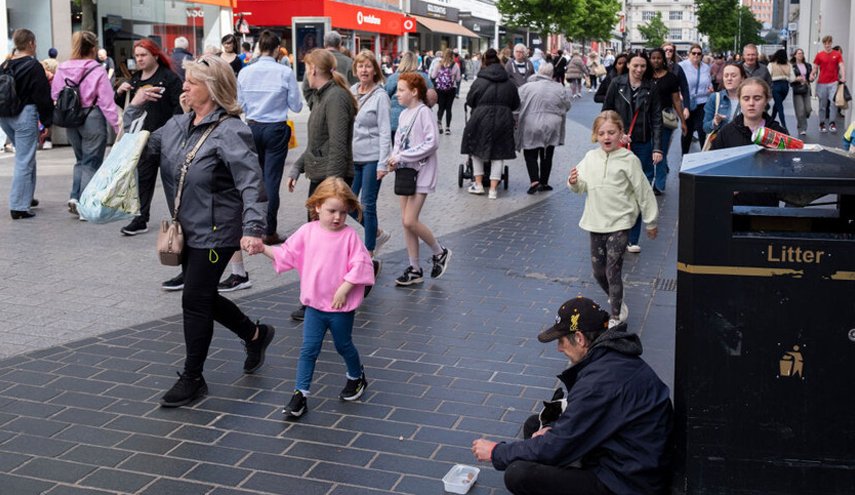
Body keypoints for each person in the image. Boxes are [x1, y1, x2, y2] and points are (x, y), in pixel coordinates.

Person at [124, 55, 272, 408]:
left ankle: (193, 377)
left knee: (193, 298)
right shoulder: (176, 126)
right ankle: (255, 334)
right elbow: (139, 148)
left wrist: (253, 227)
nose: (185, 86)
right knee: (202, 295)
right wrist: (133, 108)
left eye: (192, 81)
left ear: (213, 88)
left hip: (218, 230)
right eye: (186, 80)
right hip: (186, 227)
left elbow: (252, 184)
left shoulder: (231, 130)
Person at [471, 296, 673, 495]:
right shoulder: (612, 358)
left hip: (627, 483)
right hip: (622, 455)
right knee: (535, 425)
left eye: (561, 341)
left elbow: (559, 445)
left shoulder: (601, 381)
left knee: (518, 474)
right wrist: (552, 430)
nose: (559, 348)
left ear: (580, 339)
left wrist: (497, 451)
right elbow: (584, 420)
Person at [255, 177, 374, 418]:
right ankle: (300, 394)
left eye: (342, 212)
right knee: (308, 350)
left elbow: (362, 263)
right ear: (317, 206)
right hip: (314, 307)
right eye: (331, 211)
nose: (337, 217)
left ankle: (356, 376)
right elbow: (286, 254)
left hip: (340, 308)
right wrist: (262, 248)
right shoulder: (307, 232)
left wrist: (345, 287)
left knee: (343, 345)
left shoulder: (349, 236)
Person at [568, 111, 658, 323]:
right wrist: (573, 182)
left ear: (621, 134)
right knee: (598, 272)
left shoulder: (629, 160)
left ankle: (616, 316)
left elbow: (643, 191)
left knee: (612, 269)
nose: (606, 137)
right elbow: (581, 187)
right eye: (601, 133)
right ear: (595, 136)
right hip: (595, 222)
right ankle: (617, 298)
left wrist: (650, 221)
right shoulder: (590, 158)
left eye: (611, 132)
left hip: (620, 223)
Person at [287, 48, 357, 321]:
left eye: (307, 68)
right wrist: (297, 166)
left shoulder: (336, 97)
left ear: (313, 69)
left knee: (324, 243)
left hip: (330, 177)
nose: (306, 73)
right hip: (321, 175)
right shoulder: (322, 96)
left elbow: (338, 145)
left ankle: (326, 295)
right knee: (317, 242)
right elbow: (318, 144)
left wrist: (333, 186)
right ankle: (317, 296)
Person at [387, 72, 451, 286]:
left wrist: (402, 155)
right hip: (405, 173)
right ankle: (414, 268)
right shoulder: (404, 114)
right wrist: (393, 159)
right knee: (406, 223)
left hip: (422, 173)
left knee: (409, 220)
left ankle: (439, 251)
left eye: (401, 90)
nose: (397, 94)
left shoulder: (424, 112)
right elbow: (398, 142)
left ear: (414, 92)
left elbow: (432, 143)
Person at [115, 38, 183, 238]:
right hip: (141, 139)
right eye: (136, 55)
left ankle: (179, 219)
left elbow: (179, 107)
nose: (139, 59)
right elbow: (125, 106)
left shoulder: (169, 78)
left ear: (155, 55)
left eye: (143, 55)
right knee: (143, 180)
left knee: (172, 180)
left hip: (167, 137)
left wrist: (174, 131)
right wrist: (119, 91)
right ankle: (140, 218)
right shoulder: (135, 79)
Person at [52, 31, 120, 219]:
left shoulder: (63, 67)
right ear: (92, 48)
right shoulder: (96, 69)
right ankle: (85, 205)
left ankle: (75, 197)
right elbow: (107, 102)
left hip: (71, 118)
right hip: (92, 117)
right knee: (91, 161)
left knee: (81, 160)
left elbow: (55, 95)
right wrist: (117, 127)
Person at [602, 51, 662, 254]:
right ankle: (612, 232)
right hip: (618, 145)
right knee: (615, 188)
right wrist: (616, 135)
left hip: (642, 143)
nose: (639, 70)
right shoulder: (616, 84)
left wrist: (657, 147)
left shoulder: (651, 88)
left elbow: (656, 119)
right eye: (635, 65)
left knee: (638, 189)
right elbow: (606, 113)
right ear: (627, 65)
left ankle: (632, 238)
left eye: (643, 66)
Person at [0, 29, 53, 219]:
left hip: (6, 116)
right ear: (31, 43)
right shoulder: (33, 66)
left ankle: (26, 197)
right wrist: (47, 122)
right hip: (25, 115)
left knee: (26, 156)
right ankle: (19, 206)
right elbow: (43, 97)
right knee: (25, 159)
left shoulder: (5, 64)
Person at [711, 79, 786, 206]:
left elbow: (787, 167)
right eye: (746, 98)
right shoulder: (727, 132)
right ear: (739, 100)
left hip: (767, 206)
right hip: (734, 207)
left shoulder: (778, 133)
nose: (751, 103)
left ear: (766, 100)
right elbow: (713, 165)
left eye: (757, 98)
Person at [350, 50, 392, 260]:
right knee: (347, 203)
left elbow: (385, 131)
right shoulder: (351, 91)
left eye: (368, 66)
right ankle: (376, 233)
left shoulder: (381, 96)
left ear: (375, 70)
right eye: (360, 66)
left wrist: (383, 163)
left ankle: (369, 251)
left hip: (373, 158)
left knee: (367, 204)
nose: (364, 70)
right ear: (355, 69)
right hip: (353, 158)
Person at [462, 48, 520, 200]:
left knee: (475, 149)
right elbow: (516, 104)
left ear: (484, 62)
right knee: (498, 153)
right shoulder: (509, 83)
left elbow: (470, 101)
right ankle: (493, 190)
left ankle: (478, 184)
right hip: (503, 120)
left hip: (480, 119)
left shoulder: (479, 81)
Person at [516, 63, 572, 194]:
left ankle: (534, 181)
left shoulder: (526, 87)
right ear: (552, 74)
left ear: (538, 72)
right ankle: (544, 182)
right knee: (547, 153)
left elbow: (517, 103)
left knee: (530, 152)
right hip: (552, 125)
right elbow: (567, 106)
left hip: (531, 123)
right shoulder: (559, 88)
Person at [649, 47, 687, 195]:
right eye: (653, 58)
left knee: (661, 150)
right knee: (649, 150)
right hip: (647, 119)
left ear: (663, 60)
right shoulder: (646, 77)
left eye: (659, 58)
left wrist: (683, 121)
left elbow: (676, 100)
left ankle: (659, 185)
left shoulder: (671, 78)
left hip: (665, 119)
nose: (656, 60)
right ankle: (653, 176)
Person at [679, 44, 713, 155]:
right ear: (689, 54)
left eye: (699, 53)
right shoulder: (682, 66)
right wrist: (679, 94)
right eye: (694, 53)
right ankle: (684, 156)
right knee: (687, 131)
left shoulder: (705, 67)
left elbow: (708, 82)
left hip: (702, 102)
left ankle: (703, 156)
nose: (696, 55)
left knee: (702, 130)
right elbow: (676, 84)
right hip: (687, 103)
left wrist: (710, 88)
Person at [810, 35, 846, 134]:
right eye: (825, 43)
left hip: (833, 82)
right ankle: (822, 123)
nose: (827, 45)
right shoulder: (819, 55)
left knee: (833, 103)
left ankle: (832, 123)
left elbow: (841, 66)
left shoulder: (837, 54)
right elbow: (815, 67)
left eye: (829, 43)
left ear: (831, 43)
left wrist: (843, 76)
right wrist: (812, 75)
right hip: (821, 83)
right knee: (822, 105)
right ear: (823, 44)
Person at [703, 62, 746, 141]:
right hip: (721, 145)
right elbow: (706, 128)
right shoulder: (715, 98)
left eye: (733, 76)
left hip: (743, 144)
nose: (729, 78)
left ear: (742, 78)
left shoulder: (749, 99)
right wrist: (715, 122)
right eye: (726, 76)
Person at [429, 48, 461, 135]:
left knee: (441, 107)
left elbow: (433, 76)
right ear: (452, 56)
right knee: (449, 108)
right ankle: (447, 128)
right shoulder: (455, 65)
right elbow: (458, 79)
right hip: (451, 88)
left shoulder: (439, 64)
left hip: (440, 89)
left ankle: (439, 123)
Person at [767, 49, 793, 133]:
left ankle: (784, 126)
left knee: (779, 106)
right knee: (778, 105)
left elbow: (768, 76)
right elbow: (792, 78)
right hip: (785, 86)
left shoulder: (771, 64)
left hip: (775, 86)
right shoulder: (789, 65)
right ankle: (771, 122)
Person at [790, 48, 812, 136]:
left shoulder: (807, 65)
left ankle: (801, 120)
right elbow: (789, 78)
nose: (800, 55)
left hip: (806, 87)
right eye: (799, 53)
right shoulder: (792, 66)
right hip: (797, 88)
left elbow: (811, 75)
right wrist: (796, 79)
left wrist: (811, 78)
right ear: (795, 55)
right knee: (800, 110)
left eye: (802, 53)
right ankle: (802, 128)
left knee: (808, 109)